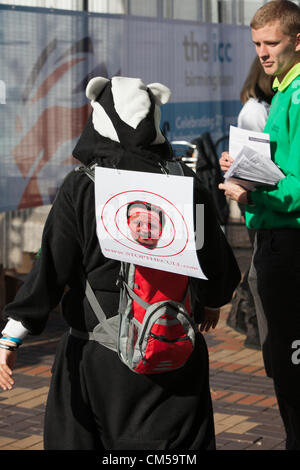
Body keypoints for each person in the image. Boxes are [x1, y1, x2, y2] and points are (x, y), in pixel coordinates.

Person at [0, 76, 240, 451]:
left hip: (97, 354)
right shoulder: (183, 181)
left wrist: (12, 334)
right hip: (174, 345)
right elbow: (218, 265)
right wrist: (209, 301)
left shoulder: (82, 186)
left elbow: (49, 271)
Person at [219, 0, 300, 450]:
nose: (263, 53)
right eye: (257, 44)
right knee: (282, 365)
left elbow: (298, 186)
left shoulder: (298, 93)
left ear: (297, 40)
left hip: (290, 243)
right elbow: (285, 167)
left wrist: (251, 192)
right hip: (276, 239)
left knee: (290, 365)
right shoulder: (284, 89)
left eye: (272, 43)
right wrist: (246, 167)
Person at [226, 56, 275, 349]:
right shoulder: (255, 110)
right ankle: (251, 322)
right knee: (259, 263)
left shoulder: (269, 106)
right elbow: (260, 160)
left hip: (262, 194)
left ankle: (247, 319)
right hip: (257, 195)